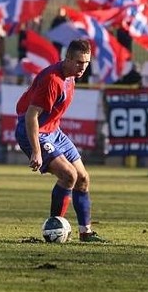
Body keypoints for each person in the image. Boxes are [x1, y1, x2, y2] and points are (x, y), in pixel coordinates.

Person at [14, 39, 106, 242]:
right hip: (34, 131)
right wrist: (36, 151)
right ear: (68, 59)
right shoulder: (53, 80)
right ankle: (54, 230)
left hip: (53, 131)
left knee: (82, 178)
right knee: (68, 175)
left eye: (87, 63)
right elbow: (31, 116)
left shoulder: (71, 76)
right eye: (79, 62)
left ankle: (86, 232)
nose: (83, 67)